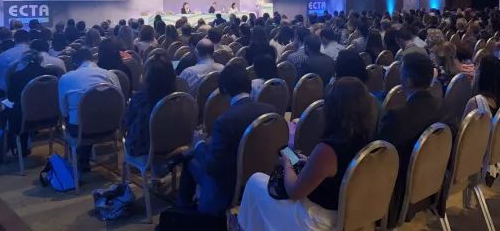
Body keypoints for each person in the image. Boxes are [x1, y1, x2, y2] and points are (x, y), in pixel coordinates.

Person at [238, 77, 375, 230]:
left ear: (333, 109)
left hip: (318, 220)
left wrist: (287, 163)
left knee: (255, 181)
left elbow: (294, 192)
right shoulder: (369, 140)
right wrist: (311, 162)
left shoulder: (328, 149)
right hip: (346, 213)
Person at [177, 63, 276, 216]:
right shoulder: (270, 110)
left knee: (190, 159)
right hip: (262, 175)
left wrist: (199, 145)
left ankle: (184, 210)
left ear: (223, 89)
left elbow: (213, 167)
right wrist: (296, 161)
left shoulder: (225, 120)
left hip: (230, 184)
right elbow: (282, 148)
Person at [376, 51, 447, 228]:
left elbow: (378, 159)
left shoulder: (398, 117)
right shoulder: (443, 107)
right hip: (433, 181)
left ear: (407, 81)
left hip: (398, 192)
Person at [58, 48, 121, 172]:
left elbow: (63, 111)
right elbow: (120, 101)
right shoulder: (111, 75)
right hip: (110, 127)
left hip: (81, 131)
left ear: (75, 63)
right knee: (92, 116)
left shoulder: (66, 78)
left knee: (76, 118)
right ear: (93, 59)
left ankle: (78, 163)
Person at [125, 52, 176, 157]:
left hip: (146, 149)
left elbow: (128, 124)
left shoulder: (140, 99)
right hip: (174, 144)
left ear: (147, 77)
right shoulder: (179, 98)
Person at [5, 50, 55, 156]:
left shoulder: (16, 76)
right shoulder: (52, 73)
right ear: (40, 60)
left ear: (23, 62)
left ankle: (14, 148)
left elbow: (11, 98)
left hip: (26, 120)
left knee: (11, 109)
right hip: (51, 117)